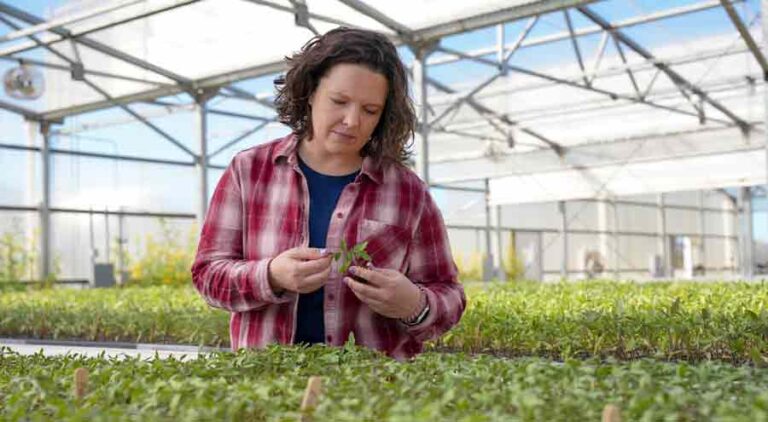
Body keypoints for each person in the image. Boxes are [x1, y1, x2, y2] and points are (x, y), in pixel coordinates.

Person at [191, 27, 466, 360]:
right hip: (266, 386)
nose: (352, 121)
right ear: (310, 92)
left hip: (374, 391)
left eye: (370, 110)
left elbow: (449, 294)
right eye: (339, 101)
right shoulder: (249, 171)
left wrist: (414, 304)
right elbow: (207, 276)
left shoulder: (408, 191)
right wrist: (271, 275)